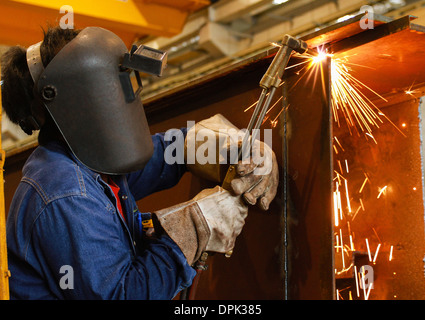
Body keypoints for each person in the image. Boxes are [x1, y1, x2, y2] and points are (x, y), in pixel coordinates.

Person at [0, 26, 278, 300]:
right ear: (81, 98)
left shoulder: (85, 158)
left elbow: (156, 157)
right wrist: (196, 226)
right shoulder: (65, 193)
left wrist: (216, 145)